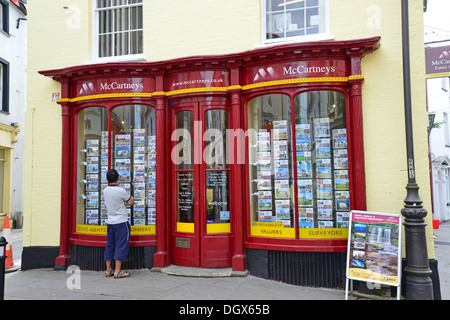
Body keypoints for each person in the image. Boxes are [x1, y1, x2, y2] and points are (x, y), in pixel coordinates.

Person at [103, 169, 134, 279]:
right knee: (121, 245)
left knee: (110, 244)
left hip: (110, 222)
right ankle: (117, 271)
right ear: (118, 178)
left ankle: (108, 270)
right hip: (121, 222)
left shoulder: (105, 190)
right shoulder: (121, 191)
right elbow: (130, 201)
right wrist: (125, 203)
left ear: (107, 179)